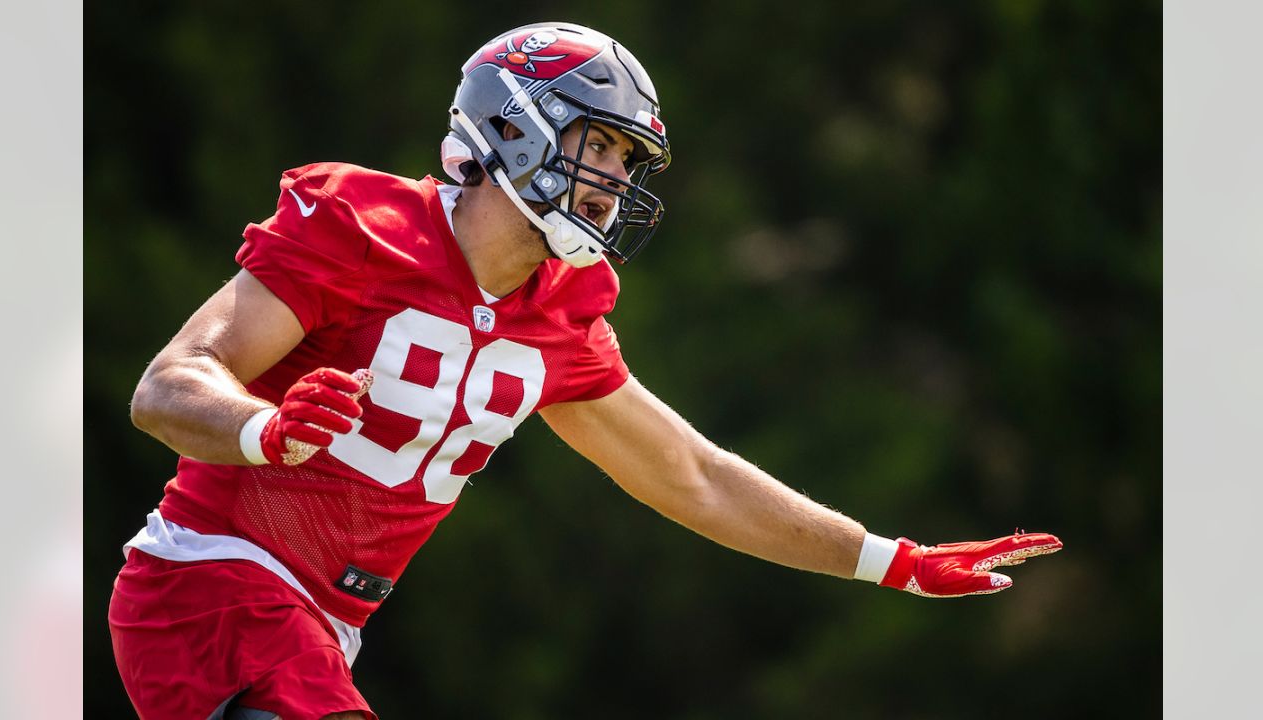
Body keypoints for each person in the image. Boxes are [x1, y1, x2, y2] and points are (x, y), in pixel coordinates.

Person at [109, 21, 1063, 720]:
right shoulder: (358, 222)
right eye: (597, 144)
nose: (614, 177)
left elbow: (694, 476)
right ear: (515, 128)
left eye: (625, 156)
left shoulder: (560, 308)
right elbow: (168, 386)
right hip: (209, 587)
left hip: (325, 630)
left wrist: (887, 559)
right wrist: (262, 430)